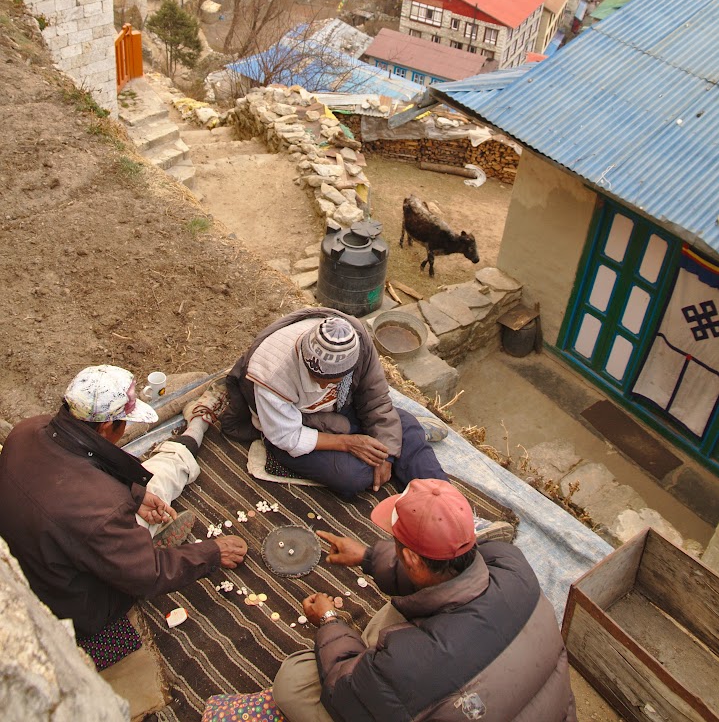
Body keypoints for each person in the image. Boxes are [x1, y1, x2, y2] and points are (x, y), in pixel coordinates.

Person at [271, 479, 577, 722]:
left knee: (293, 682)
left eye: (396, 545)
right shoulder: (510, 562)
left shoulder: (403, 664)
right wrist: (368, 557)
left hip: (411, 676)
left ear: (412, 559)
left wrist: (329, 621)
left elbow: (344, 692)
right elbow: (437, 569)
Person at [0, 364, 247, 641]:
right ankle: (192, 437)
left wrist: (136, 495)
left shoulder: (27, 429)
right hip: (77, 603)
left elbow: (78, 478)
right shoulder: (105, 509)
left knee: (147, 488)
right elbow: (148, 576)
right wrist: (211, 553)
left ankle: (186, 445)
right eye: (125, 422)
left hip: (35, 559)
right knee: (159, 480)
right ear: (107, 427)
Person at [221, 308, 448, 498]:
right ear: (303, 356)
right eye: (314, 376)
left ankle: (444, 501)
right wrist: (348, 443)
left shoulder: (358, 346)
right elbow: (287, 436)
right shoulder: (272, 372)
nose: (321, 386)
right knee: (352, 476)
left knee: (405, 424)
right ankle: (404, 448)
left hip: (338, 410)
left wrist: (385, 454)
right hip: (294, 426)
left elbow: (375, 399)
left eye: (331, 380)